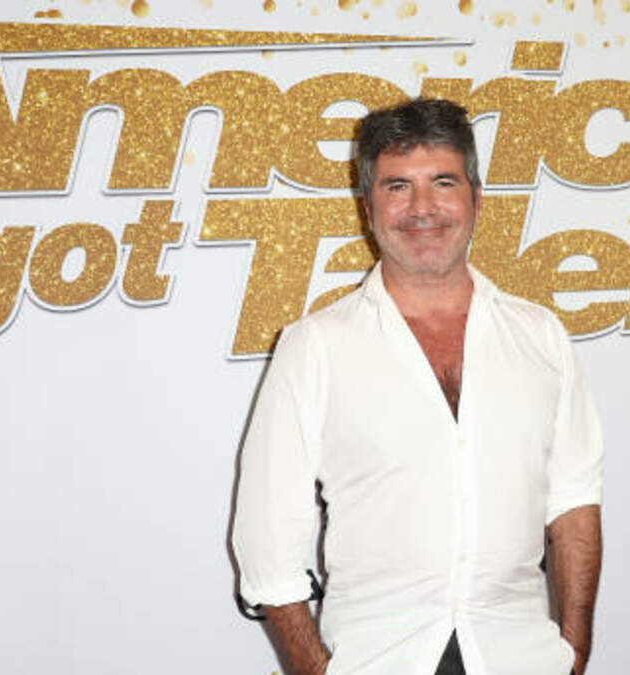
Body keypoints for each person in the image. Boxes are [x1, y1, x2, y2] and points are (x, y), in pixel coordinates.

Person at [231, 98, 604, 675]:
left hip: (520, 657)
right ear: (368, 209)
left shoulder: (541, 336)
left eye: (443, 182)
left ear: (477, 199)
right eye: (398, 186)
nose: (422, 208)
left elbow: (574, 501)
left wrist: (574, 652)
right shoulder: (315, 347)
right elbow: (267, 537)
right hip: (378, 660)